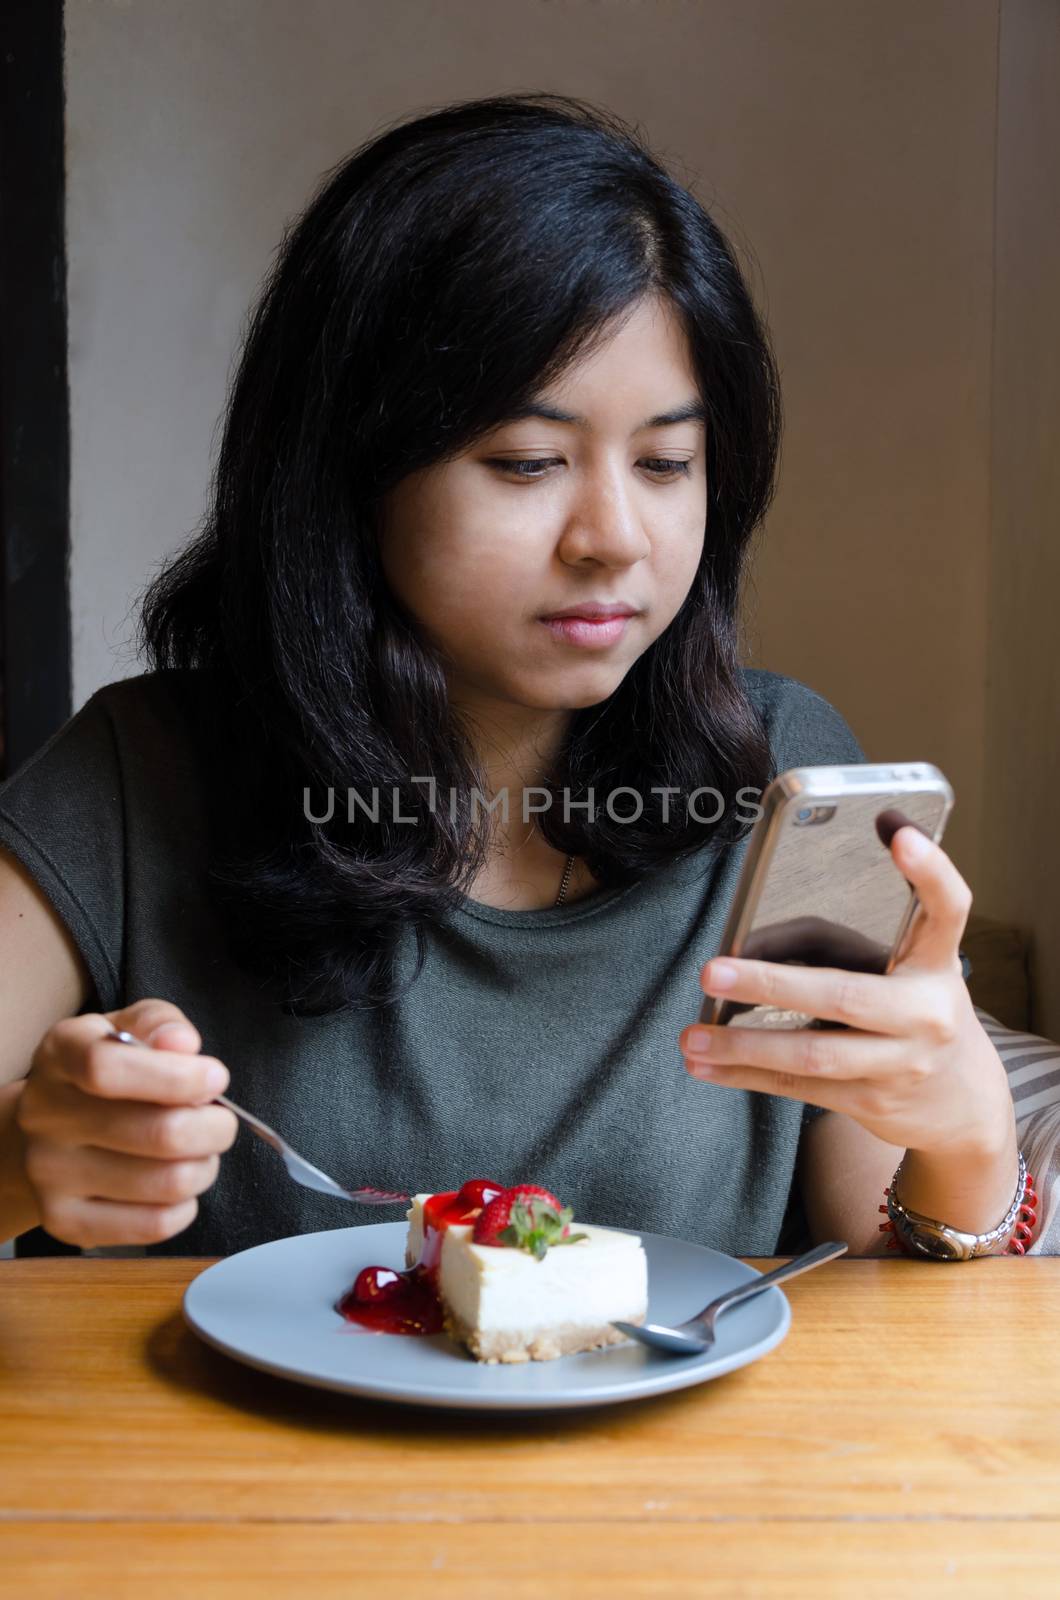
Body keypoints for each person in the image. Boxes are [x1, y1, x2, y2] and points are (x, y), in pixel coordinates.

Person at [0, 93, 1032, 1262]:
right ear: (351, 467)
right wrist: (23, 1156)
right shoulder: (141, 777)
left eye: (666, 461)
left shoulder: (783, 767)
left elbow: (897, 1295)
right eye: (528, 461)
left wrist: (966, 1137)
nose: (614, 537)